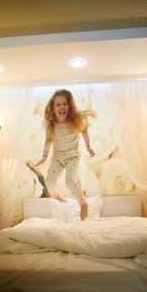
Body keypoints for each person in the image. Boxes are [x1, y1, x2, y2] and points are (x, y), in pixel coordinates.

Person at [35, 89, 95, 220]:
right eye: (58, 104)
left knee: (70, 181)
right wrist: (44, 157)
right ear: (53, 108)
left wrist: (89, 147)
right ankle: (56, 196)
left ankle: (83, 204)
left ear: (69, 106)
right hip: (57, 157)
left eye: (65, 104)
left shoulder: (75, 122)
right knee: (49, 181)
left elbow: (84, 132)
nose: (62, 107)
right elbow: (48, 141)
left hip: (73, 157)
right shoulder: (51, 126)